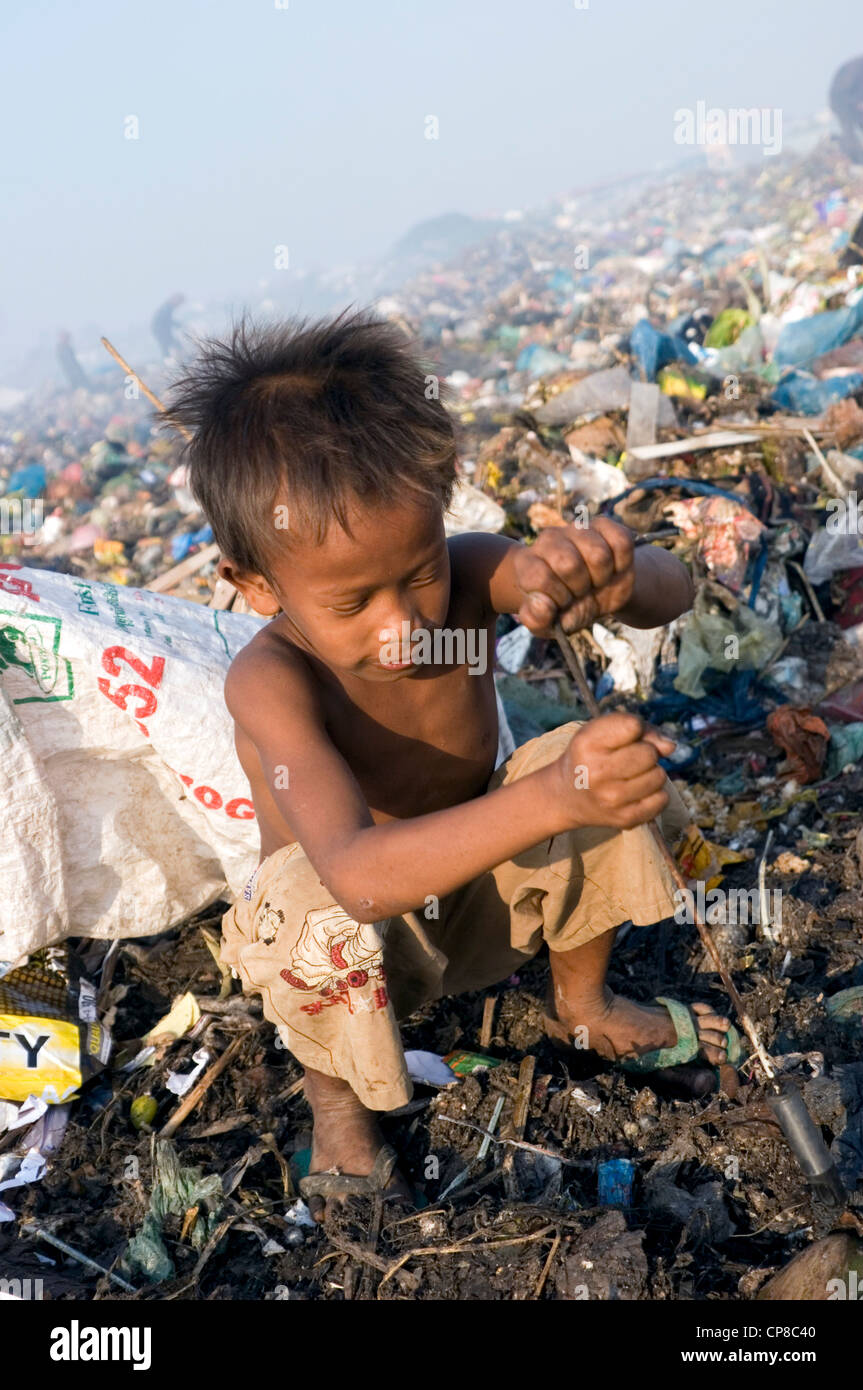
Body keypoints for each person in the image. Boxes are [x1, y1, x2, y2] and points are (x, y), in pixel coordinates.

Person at [164, 311, 733, 1220]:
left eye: (419, 573)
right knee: (302, 903)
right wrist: (552, 798)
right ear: (257, 584)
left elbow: (674, 596)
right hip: (366, 949)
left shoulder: (469, 579)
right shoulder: (271, 680)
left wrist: (616, 577)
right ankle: (338, 1100)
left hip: (482, 907)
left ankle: (581, 1002)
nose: (408, 625)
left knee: (576, 758)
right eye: (355, 600)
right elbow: (355, 878)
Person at [830, 54, 863, 162]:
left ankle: (857, 156)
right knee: (849, 131)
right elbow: (847, 91)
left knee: (856, 126)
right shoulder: (861, 67)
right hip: (841, 100)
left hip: (845, 98)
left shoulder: (860, 65)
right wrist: (857, 103)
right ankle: (858, 159)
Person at [151, 292, 185, 360]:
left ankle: (171, 360)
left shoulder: (167, 307)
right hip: (161, 331)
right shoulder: (167, 308)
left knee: (170, 345)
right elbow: (166, 320)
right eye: (179, 302)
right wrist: (177, 324)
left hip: (162, 330)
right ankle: (170, 361)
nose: (179, 305)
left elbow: (167, 320)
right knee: (168, 346)